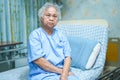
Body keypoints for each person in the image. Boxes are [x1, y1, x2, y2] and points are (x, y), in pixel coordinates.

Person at [28, 2, 80, 80]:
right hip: (42, 74)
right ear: (42, 17)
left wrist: (65, 75)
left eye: (55, 16)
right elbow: (39, 61)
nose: (51, 19)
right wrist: (62, 72)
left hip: (63, 72)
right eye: (48, 15)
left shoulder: (61, 35)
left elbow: (68, 57)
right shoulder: (35, 35)